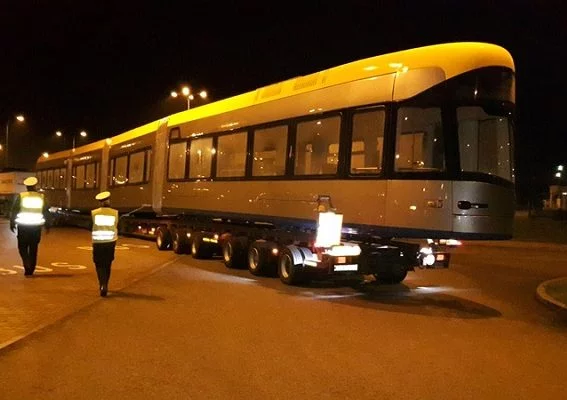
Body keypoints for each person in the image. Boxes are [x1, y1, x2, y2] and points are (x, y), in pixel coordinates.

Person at [10, 176, 51, 276]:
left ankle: (26, 263)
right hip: (36, 227)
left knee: (22, 247)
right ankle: (31, 269)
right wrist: (48, 225)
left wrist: (12, 223)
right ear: (35, 186)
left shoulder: (21, 196)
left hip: (23, 226)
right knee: (33, 248)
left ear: (26, 187)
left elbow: (15, 210)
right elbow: (46, 211)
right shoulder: (41, 197)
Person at [91, 191, 119, 297]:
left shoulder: (94, 213)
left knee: (99, 264)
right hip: (110, 242)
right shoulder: (115, 212)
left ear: (100, 202)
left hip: (98, 242)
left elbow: (90, 226)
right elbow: (117, 225)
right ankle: (105, 284)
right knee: (108, 264)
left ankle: (102, 284)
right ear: (109, 201)